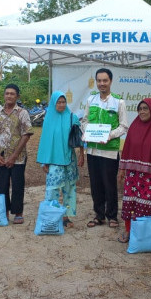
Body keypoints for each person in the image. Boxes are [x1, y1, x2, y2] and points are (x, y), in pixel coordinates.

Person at [117, 99, 151, 243]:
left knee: (147, 205)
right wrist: (122, 169)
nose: (142, 111)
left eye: (145, 108)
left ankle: (145, 235)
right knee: (131, 203)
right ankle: (129, 231)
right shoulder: (134, 126)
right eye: (140, 108)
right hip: (133, 175)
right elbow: (127, 148)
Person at [83, 68, 129, 228]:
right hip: (92, 150)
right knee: (95, 184)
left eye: (105, 80)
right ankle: (99, 215)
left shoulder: (119, 102)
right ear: (96, 82)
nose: (102, 84)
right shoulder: (91, 100)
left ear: (110, 81)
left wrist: (109, 135)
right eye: (99, 81)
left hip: (110, 151)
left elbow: (124, 126)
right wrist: (86, 131)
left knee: (109, 183)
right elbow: (85, 121)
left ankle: (112, 216)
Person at [36, 91, 84, 227]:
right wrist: (44, 162)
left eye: (63, 102)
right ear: (54, 103)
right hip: (53, 161)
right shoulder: (48, 119)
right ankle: (52, 215)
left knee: (69, 190)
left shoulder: (72, 117)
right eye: (59, 102)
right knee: (52, 190)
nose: (61, 105)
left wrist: (81, 155)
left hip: (69, 160)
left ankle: (66, 217)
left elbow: (79, 137)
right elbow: (45, 141)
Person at [0, 83, 33, 224]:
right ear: (4, 95)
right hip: (0, 156)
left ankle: (18, 212)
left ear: (17, 96)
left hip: (18, 157)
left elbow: (26, 134)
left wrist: (13, 156)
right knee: (1, 185)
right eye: (7, 93)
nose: (9, 96)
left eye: (12, 94)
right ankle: (4, 211)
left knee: (18, 184)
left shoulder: (22, 113)